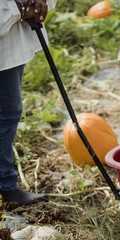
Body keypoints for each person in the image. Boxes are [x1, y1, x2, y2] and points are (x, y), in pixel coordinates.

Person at [0, 0, 56, 206]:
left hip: (10, 44)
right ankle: (5, 185)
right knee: (6, 115)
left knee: (8, 113)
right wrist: (18, 7)